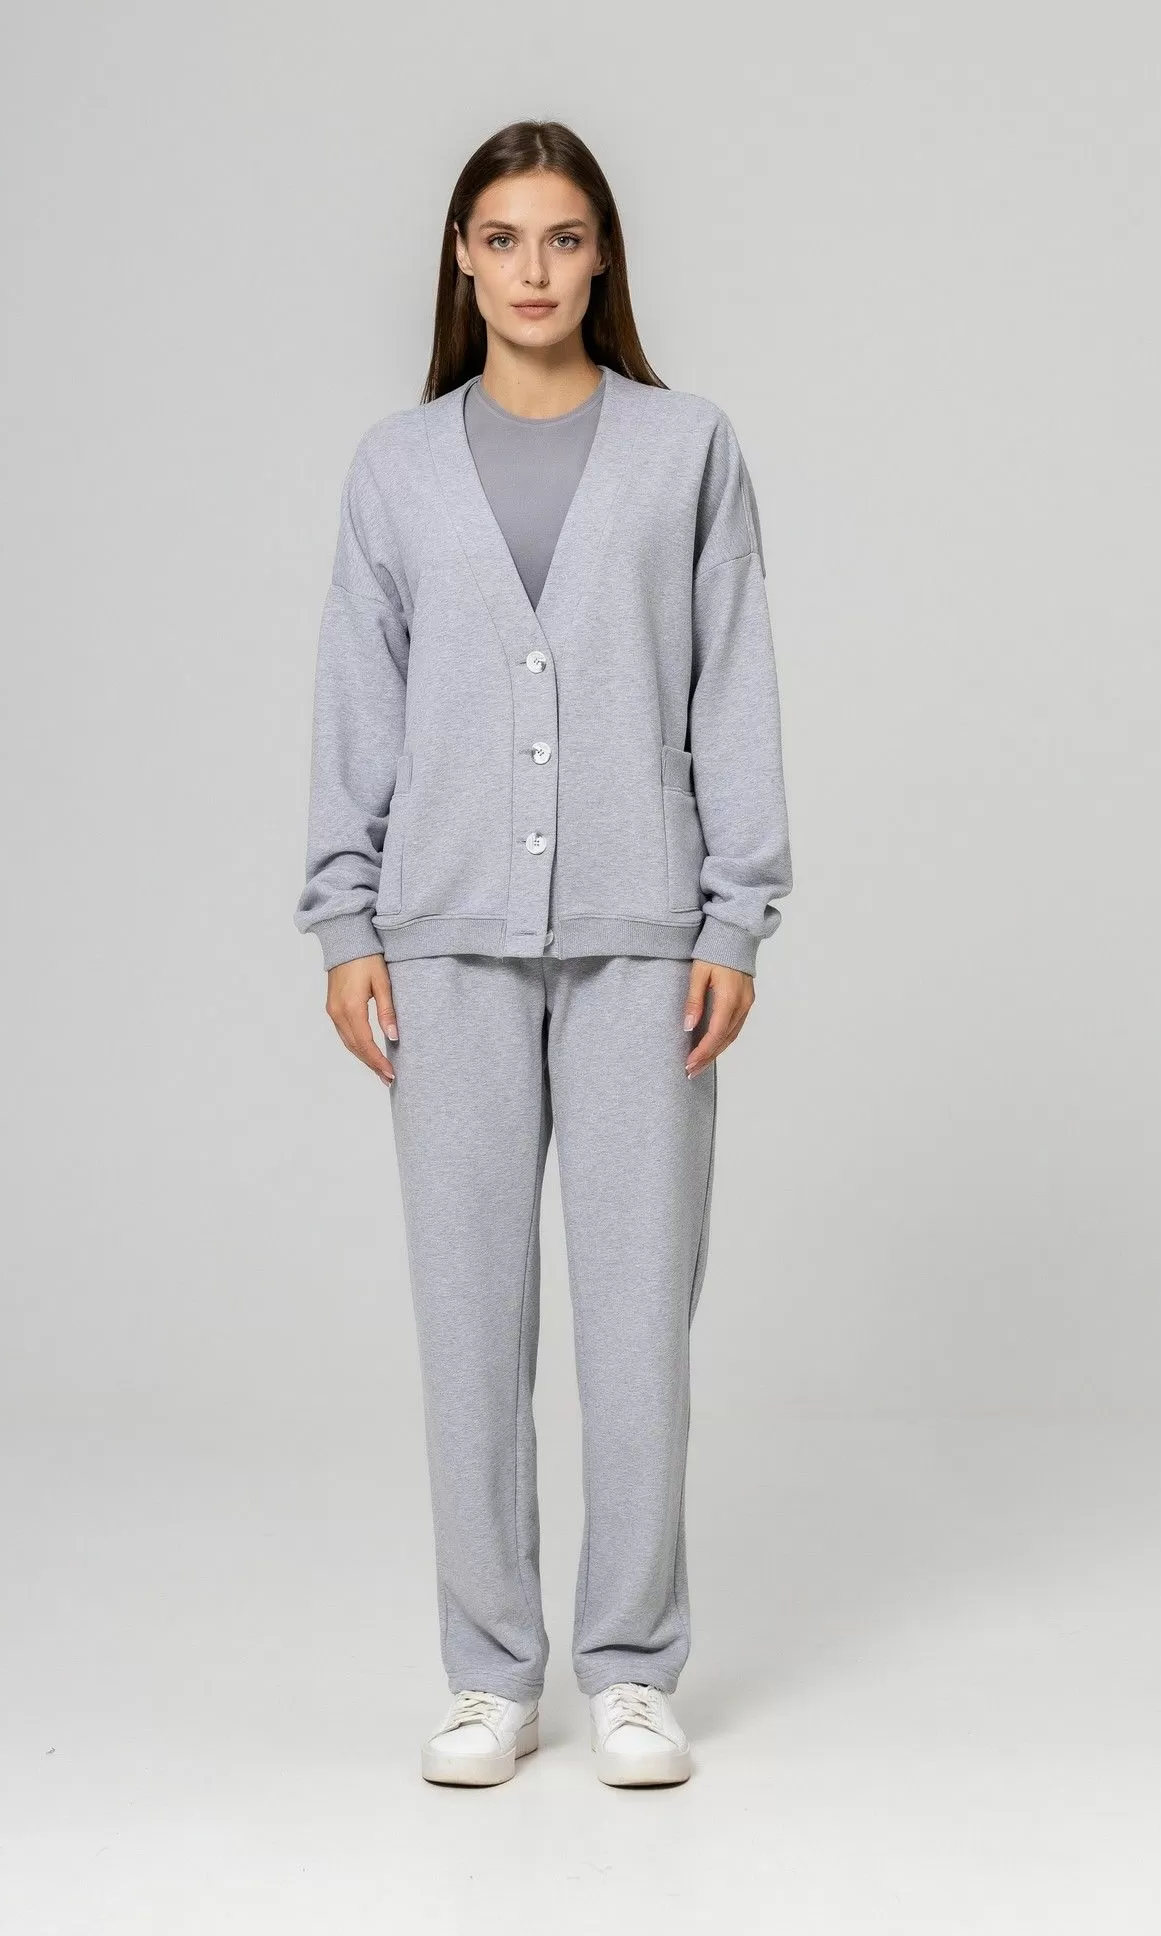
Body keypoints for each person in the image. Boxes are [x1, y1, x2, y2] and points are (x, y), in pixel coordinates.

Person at [294, 120, 793, 1788]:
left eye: (563, 238)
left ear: (603, 257)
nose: (532, 269)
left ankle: (632, 1667)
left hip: (646, 939)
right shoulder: (395, 467)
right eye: (502, 238)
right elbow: (357, 695)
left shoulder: (686, 448)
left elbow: (735, 682)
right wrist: (344, 918)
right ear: (461, 255)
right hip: (441, 938)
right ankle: (492, 1675)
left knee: (639, 1323)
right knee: (469, 1322)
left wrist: (736, 913)